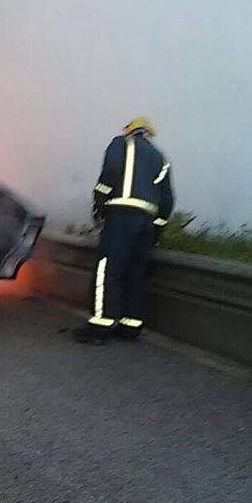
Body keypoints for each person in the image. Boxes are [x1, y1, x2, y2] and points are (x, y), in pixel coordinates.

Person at [73, 117, 175, 345]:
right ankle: (131, 327)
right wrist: (157, 230)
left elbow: (108, 175)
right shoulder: (161, 158)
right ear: (149, 133)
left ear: (130, 130)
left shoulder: (121, 143)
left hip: (121, 217)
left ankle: (100, 327)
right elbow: (167, 201)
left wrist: (99, 203)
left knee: (107, 271)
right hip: (147, 224)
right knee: (136, 274)